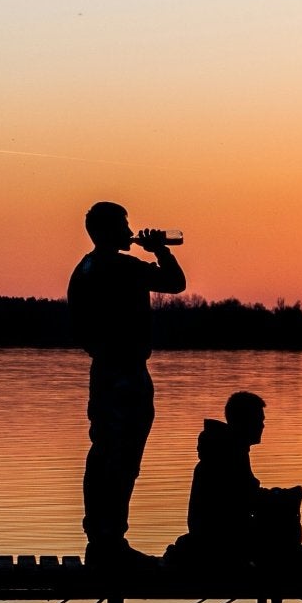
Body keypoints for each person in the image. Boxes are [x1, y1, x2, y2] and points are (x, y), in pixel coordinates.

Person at [68, 201, 186, 567]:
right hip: (125, 372)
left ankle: (100, 539)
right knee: (122, 456)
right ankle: (111, 542)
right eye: (123, 225)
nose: (129, 231)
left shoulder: (84, 268)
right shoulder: (122, 266)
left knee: (103, 451)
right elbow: (176, 283)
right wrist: (160, 250)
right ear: (105, 231)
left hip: (102, 370)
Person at [167, 391, 302, 570]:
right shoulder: (228, 455)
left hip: (220, 535)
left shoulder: (228, 449)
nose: (262, 426)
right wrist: (283, 497)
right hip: (221, 541)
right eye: (259, 420)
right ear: (244, 422)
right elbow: (247, 500)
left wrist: (278, 495)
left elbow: (246, 495)